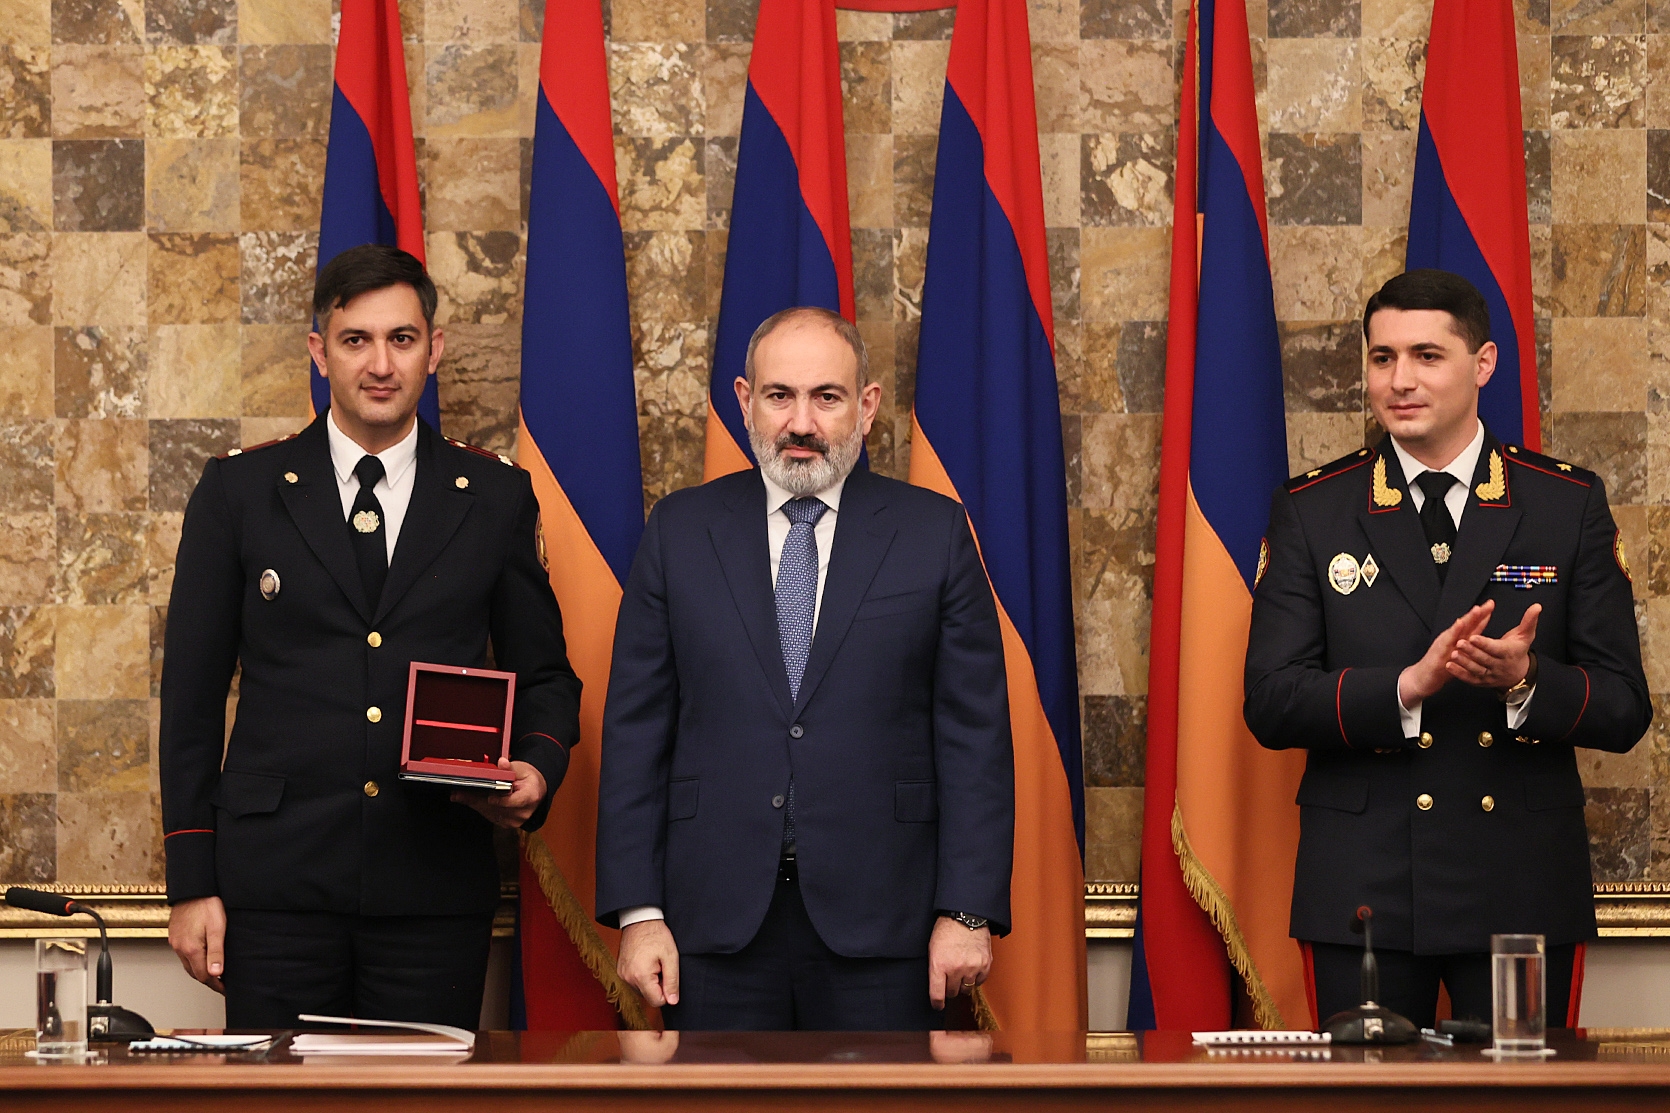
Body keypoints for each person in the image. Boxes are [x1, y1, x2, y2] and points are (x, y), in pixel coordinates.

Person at [160, 244, 582, 1028]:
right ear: (320, 351)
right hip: (275, 890)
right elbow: (190, 699)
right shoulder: (240, 492)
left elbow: (548, 676)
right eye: (356, 339)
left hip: (430, 887)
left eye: (402, 338)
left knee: (418, 1095)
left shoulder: (494, 496)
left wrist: (535, 767)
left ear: (434, 349)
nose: (380, 364)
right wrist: (191, 882)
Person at [1244, 269, 1651, 1029]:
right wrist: (1404, 687)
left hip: (1520, 882)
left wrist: (1526, 680)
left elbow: (1626, 706)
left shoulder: (1564, 504)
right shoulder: (1313, 509)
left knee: (1525, 1094)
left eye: (1427, 356)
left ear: (1483, 363)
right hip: (1364, 887)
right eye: (1383, 358)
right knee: (1364, 1095)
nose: (1400, 380)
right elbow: (1270, 700)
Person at [596, 306, 1014, 1031]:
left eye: (826, 397)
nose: (801, 423)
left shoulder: (933, 533)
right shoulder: (679, 531)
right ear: (744, 401)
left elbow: (975, 739)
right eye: (779, 396)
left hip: (887, 926)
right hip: (711, 929)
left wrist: (967, 912)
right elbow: (636, 734)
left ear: (867, 406)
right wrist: (639, 913)